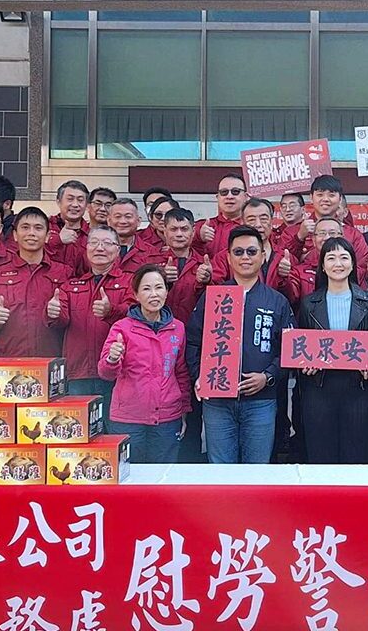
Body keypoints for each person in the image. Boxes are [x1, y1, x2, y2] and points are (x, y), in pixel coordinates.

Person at [186, 227, 294, 464]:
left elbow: (289, 349)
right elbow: (193, 341)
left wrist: (268, 377)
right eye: (238, 252)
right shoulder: (213, 296)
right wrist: (199, 376)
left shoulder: (277, 301)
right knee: (220, 470)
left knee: (256, 470)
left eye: (252, 251)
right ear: (228, 257)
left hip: (260, 401)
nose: (245, 257)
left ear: (262, 256)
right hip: (217, 401)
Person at [296, 238, 368, 464]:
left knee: (357, 456)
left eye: (344, 258)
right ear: (322, 266)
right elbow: (302, 346)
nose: (338, 264)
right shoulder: (309, 303)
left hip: (359, 389)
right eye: (331, 258)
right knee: (321, 456)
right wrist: (305, 364)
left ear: (352, 264)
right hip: (319, 388)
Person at [99, 264, 192, 463]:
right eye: (146, 289)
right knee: (130, 475)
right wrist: (112, 358)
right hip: (128, 418)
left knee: (164, 475)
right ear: (136, 295)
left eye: (159, 287)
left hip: (167, 417)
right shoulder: (121, 328)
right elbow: (105, 373)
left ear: (167, 291)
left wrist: (184, 410)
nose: (154, 294)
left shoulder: (178, 328)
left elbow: (181, 372)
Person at [49, 225, 134, 430]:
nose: (100, 248)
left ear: (118, 249)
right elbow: (61, 322)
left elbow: (136, 316)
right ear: (86, 249)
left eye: (107, 243)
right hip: (79, 373)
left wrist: (111, 311)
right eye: (94, 243)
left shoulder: (130, 282)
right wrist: (53, 313)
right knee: (81, 433)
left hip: (119, 374)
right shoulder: (71, 286)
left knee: (116, 435)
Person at [0, 207, 73, 358]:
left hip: (52, 360)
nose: (31, 233)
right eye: (25, 227)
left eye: (38, 228)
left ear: (47, 236)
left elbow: (76, 319)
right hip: (10, 360)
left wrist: (57, 314)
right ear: (15, 235)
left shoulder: (64, 273)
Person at [282, 176, 368, 281]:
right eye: (320, 195)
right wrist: (299, 238)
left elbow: (363, 268)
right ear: (311, 198)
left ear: (340, 199)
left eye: (331, 195)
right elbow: (283, 266)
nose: (325, 199)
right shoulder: (292, 232)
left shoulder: (353, 235)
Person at [211, 198, 292, 300]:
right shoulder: (226, 256)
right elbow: (213, 296)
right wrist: (205, 280)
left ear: (272, 221)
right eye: (251, 219)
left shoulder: (284, 257)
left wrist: (284, 278)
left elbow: (293, 299)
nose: (258, 225)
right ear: (242, 222)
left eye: (263, 219)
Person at [149, 208, 213, 323]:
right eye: (173, 229)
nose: (179, 234)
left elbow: (213, 302)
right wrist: (160, 278)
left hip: (193, 329)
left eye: (184, 229)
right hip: (158, 327)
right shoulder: (151, 261)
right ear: (165, 231)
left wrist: (206, 282)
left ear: (193, 232)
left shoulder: (203, 264)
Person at [287, 217, 343, 301]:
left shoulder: (347, 268)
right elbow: (290, 296)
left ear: (342, 237)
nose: (327, 238)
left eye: (332, 233)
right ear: (313, 240)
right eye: (322, 233)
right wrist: (283, 278)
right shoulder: (300, 272)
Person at [193, 173, 248, 257]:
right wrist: (198, 237)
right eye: (224, 192)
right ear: (217, 197)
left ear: (246, 197)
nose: (229, 196)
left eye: (235, 191)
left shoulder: (254, 226)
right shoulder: (203, 227)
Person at [45, 180, 90, 275]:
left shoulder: (92, 234)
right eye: (70, 199)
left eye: (80, 200)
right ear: (58, 202)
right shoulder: (44, 227)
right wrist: (57, 240)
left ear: (86, 205)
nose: (75, 205)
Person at [108, 198, 156, 272]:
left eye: (128, 216)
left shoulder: (151, 252)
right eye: (118, 216)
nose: (123, 221)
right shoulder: (97, 249)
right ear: (109, 221)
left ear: (138, 221)